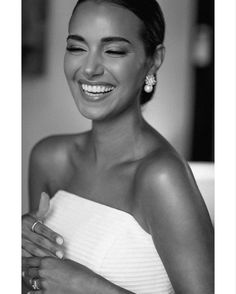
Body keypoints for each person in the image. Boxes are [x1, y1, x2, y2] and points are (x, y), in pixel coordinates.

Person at [22, 0, 214, 293]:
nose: (89, 68)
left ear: (154, 59)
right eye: (76, 48)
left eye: (113, 50)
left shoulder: (161, 178)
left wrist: (85, 285)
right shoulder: (49, 158)